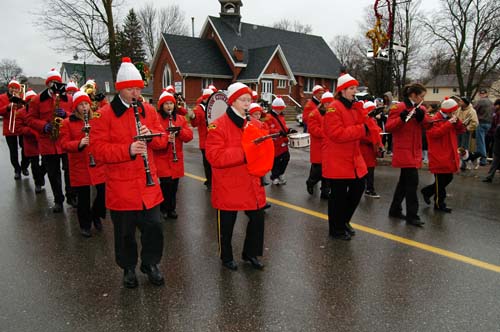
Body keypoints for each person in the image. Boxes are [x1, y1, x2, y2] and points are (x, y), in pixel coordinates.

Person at [91, 57, 168, 288]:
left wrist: (151, 136)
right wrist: (127, 149)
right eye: (131, 89)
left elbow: (163, 140)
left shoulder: (148, 111)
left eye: (138, 88)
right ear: (120, 89)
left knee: (154, 227)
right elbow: (97, 149)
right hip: (121, 186)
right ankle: (128, 268)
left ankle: (151, 263)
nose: (137, 93)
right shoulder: (105, 115)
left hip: (148, 185)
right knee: (124, 234)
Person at [205, 82, 273, 270]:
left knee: (258, 219)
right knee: (227, 223)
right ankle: (226, 256)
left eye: (249, 100)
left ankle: (250, 254)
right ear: (233, 101)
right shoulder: (218, 126)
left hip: (251, 181)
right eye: (243, 100)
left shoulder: (254, 123)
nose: (247, 103)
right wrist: (245, 152)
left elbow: (261, 146)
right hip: (229, 182)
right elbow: (215, 157)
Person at [322, 74, 369, 240]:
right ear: (342, 91)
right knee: (338, 197)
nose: (354, 91)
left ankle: (343, 221)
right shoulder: (334, 108)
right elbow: (337, 134)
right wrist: (362, 129)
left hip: (353, 159)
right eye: (351, 88)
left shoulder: (352, 107)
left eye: (355, 88)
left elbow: (359, 127)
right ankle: (336, 229)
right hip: (337, 160)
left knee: (358, 189)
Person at [27, 68, 75, 212]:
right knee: (53, 173)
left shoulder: (68, 98)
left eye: (57, 82)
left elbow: (75, 115)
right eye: (52, 82)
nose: (55, 85)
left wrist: (66, 114)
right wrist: (44, 126)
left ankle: (71, 196)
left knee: (69, 170)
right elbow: (30, 119)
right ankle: (58, 200)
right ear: (48, 84)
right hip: (48, 142)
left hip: (65, 140)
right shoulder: (37, 100)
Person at [59, 91, 106, 236]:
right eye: (80, 105)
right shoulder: (68, 122)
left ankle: (96, 214)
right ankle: (85, 225)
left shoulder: (97, 119)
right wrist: (79, 143)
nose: (84, 107)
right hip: (79, 164)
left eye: (86, 104)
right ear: (75, 107)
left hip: (97, 163)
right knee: (83, 199)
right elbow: (64, 144)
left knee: (103, 194)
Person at [386, 83, 429, 226]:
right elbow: (389, 127)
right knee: (412, 183)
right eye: (421, 96)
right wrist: (402, 118)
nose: (423, 99)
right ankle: (412, 215)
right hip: (404, 150)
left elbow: (428, 125)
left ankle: (395, 209)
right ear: (413, 95)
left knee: (404, 183)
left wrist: (423, 118)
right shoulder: (398, 107)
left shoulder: (421, 108)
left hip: (415, 149)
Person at [153, 90, 193, 219]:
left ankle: (172, 209)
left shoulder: (180, 119)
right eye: (166, 104)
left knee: (174, 186)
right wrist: (165, 138)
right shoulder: (156, 119)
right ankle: (163, 208)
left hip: (176, 159)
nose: (169, 106)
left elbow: (189, 136)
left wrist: (179, 132)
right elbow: (154, 136)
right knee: (165, 185)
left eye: (171, 103)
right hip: (162, 158)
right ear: (161, 106)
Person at [421, 98, 465, 213]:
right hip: (438, 154)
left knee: (448, 178)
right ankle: (439, 204)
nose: (454, 114)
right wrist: (449, 124)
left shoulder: (449, 118)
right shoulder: (435, 119)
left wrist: (457, 122)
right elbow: (434, 134)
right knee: (440, 181)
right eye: (452, 111)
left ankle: (428, 191)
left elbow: (461, 130)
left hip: (448, 153)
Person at [15, 89, 46, 193]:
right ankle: (38, 183)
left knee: (46, 162)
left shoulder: (40, 110)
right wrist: (31, 130)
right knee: (35, 163)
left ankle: (40, 176)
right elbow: (19, 129)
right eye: (30, 101)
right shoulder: (20, 113)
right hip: (30, 141)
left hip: (42, 140)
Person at [0, 79, 30, 179]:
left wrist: (21, 103)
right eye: (12, 88)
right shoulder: (2, 97)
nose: (13, 90)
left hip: (20, 126)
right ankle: (17, 169)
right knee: (13, 151)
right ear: (9, 88)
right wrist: (8, 107)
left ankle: (24, 166)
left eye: (16, 88)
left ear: (18, 89)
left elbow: (27, 109)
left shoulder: (22, 97)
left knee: (25, 148)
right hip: (9, 127)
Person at [306, 91, 333, 199]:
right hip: (318, 147)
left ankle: (325, 192)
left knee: (328, 171)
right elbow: (313, 129)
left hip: (329, 147)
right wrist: (326, 133)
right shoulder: (314, 114)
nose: (329, 106)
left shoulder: (332, 113)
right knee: (318, 170)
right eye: (328, 104)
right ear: (323, 104)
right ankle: (310, 182)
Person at [265, 96, 296, 185]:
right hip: (275, 143)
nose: (280, 110)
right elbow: (267, 130)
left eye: (281, 109)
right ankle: (274, 176)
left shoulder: (281, 116)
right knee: (276, 161)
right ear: (274, 108)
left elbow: (283, 127)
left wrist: (289, 130)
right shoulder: (268, 117)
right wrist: (279, 132)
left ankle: (280, 174)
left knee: (286, 158)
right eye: (279, 109)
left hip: (283, 142)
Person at [188, 88, 214, 190]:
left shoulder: (214, 107)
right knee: (207, 164)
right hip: (205, 141)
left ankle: (214, 181)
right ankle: (210, 182)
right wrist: (193, 117)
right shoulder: (199, 109)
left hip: (216, 140)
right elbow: (195, 123)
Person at [360, 101, 383, 198]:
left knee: (370, 170)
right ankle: (369, 189)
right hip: (365, 149)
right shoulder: (365, 120)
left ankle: (368, 189)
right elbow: (362, 136)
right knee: (367, 171)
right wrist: (372, 140)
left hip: (371, 149)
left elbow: (376, 131)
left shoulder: (372, 120)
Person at [474, 89, 494, 166]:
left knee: (480, 142)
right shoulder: (491, 102)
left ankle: (483, 159)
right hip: (489, 124)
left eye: (482, 93)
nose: (481, 95)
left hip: (481, 123)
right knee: (483, 142)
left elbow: (474, 110)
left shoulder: (480, 101)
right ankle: (481, 158)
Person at [483, 99, 500, 183]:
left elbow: (496, 127)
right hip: (496, 138)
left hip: (497, 138)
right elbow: (493, 126)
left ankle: (490, 176)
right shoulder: (495, 114)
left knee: (496, 157)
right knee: (496, 157)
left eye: (495, 105)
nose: (494, 107)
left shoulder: (497, 114)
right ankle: (489, 176)